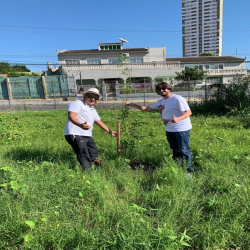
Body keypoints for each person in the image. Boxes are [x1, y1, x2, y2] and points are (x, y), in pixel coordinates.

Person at [125, 82, 194, 176]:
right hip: (170, 129)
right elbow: (146, 109)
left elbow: (188, 112)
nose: (161, 90)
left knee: (184, 150)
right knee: (175, 150)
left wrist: (178, 119)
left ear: (169, 88)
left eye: (163, 88)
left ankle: (188, 171)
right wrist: (132, 104)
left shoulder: (177, 99)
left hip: (181, 129)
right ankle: (178, 167)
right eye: (159, 90)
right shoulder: (161, 101)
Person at [65, 88, 117, 171]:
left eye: (95, 98)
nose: (93, 99)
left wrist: (110, 132)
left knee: (93, 151)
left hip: (86, 135)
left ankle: (95, 165)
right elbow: (71, 116)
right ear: (85, 96)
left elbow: (99, 122)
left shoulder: (92, 109)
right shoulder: (77, 103)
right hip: (75, 133)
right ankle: (88, 171)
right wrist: (81, 125)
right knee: (83, 153)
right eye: (90, 96)